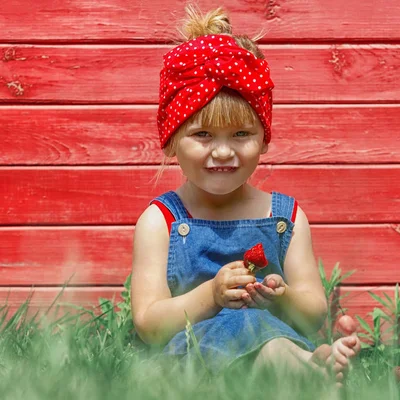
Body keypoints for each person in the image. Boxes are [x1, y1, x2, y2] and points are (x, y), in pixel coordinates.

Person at [130, 5, 360, 385]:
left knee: (263, 331)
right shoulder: (161, 221)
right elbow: (149, 325)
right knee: (250, 334)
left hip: (275, 336)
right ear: (171, 141)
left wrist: (281, 296)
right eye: (203, 135)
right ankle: (308, 369)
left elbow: (314, 313)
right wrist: (212, 296)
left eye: (241, 134)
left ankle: (300, 366)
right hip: (192, 361)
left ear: (264, 140)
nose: (223, 152)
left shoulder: (285, 217)